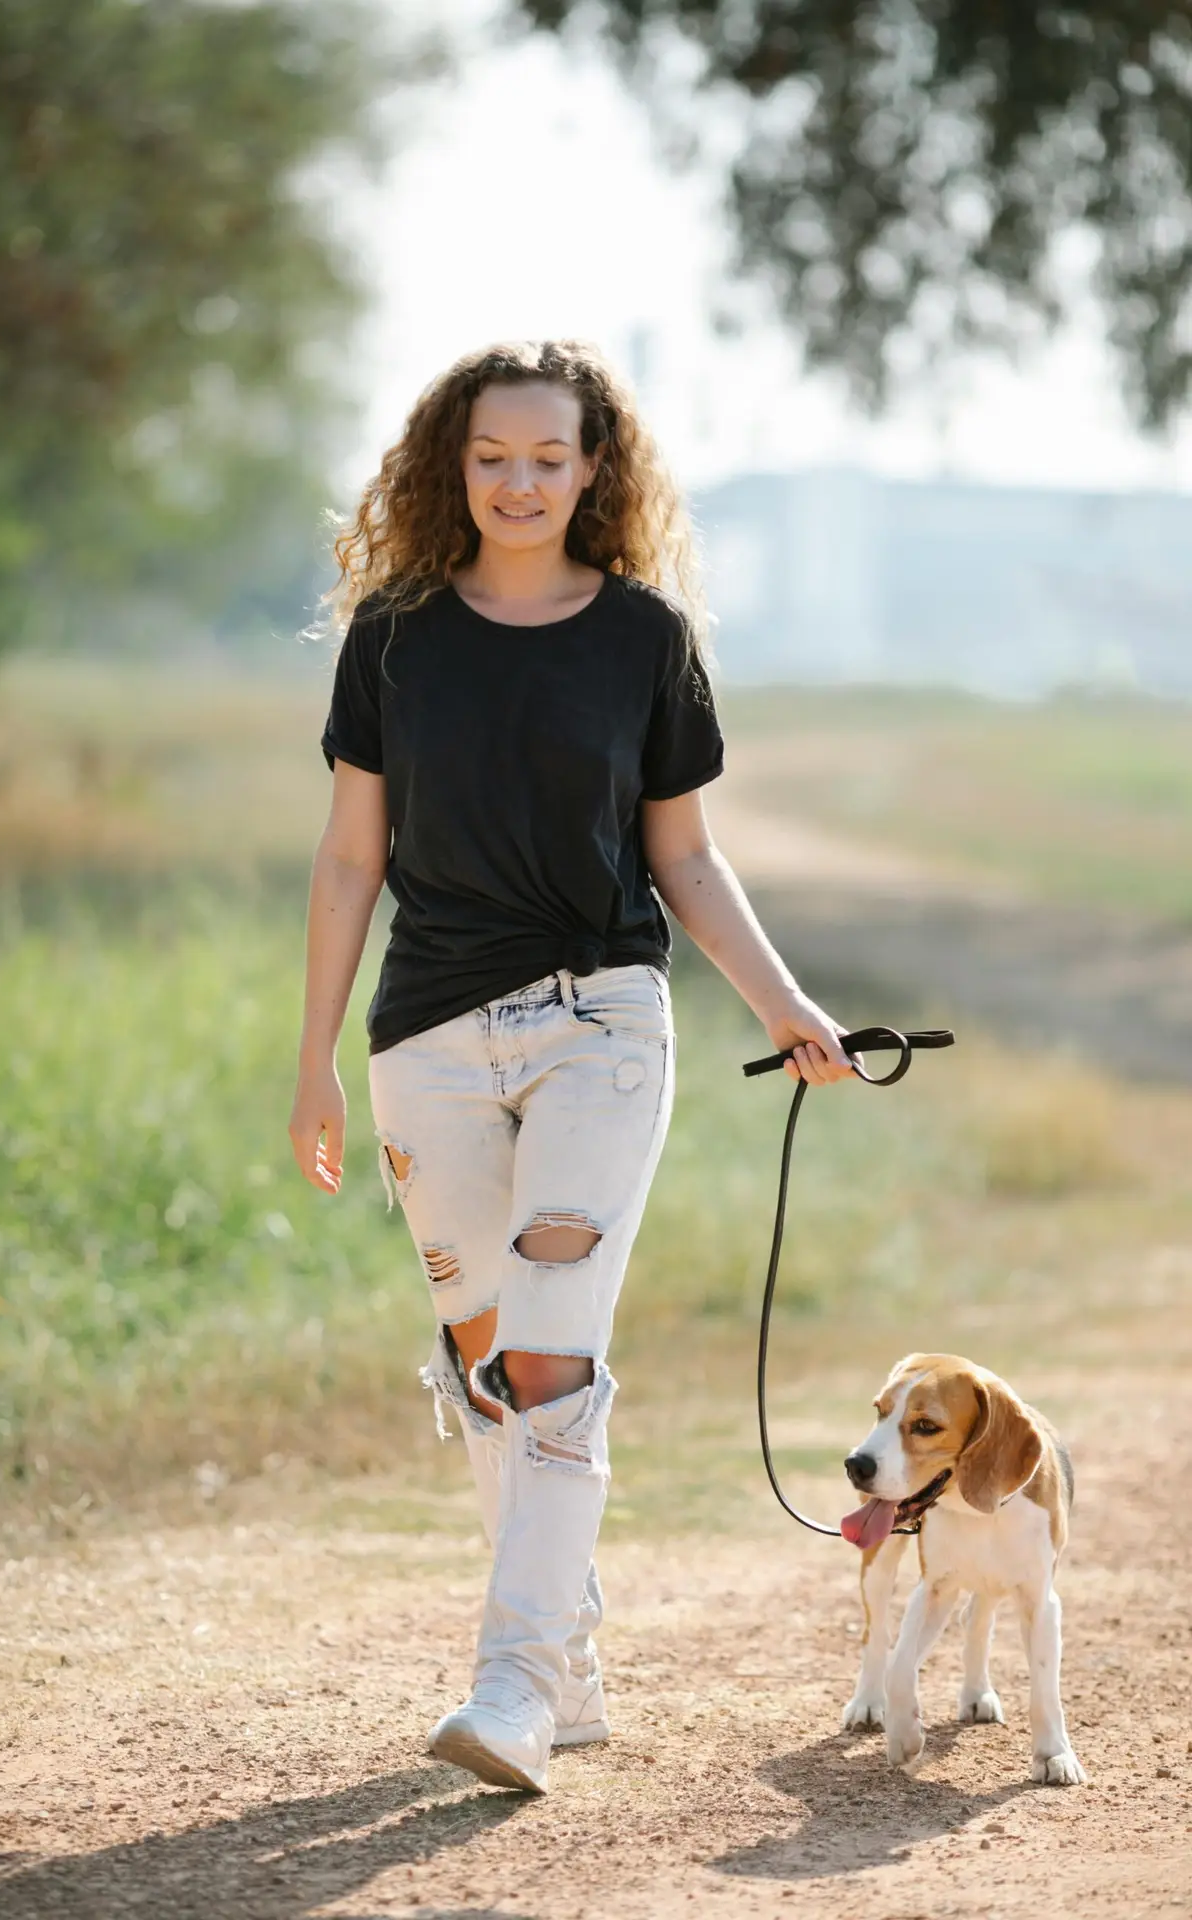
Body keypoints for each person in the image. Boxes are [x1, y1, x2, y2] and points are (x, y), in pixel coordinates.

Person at [289, 339, 852, 1795]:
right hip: (427, 1037)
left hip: (604, 1023)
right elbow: (353, 861)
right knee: (485, 1356)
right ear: (450, 464)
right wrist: (314, 1063)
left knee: (550, 1351)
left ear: (596, 466)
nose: (521, 481)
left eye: (550, 456)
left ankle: (514, 1688)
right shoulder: (398, 639)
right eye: (494, 456)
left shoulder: (645, 640)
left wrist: (789, 1007)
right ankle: (573, 1663)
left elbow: (687, 857)